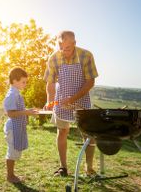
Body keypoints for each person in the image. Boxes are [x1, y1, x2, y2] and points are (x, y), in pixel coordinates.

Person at [44, 31, 98, 177]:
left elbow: (90, 82)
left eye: (67, 47)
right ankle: (63, 168)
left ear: (74, 43)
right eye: (61, 47)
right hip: (62, 102)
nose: (64, 51)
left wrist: (73, 98)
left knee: (88, 135)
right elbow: (50, 83)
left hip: (82, 101)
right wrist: (49, 100)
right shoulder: (54, 58)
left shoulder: (86, 56)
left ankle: (89, 168)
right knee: (62, 131)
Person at [3, 67, 38, 183]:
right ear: (14, 81)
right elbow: (11, 113)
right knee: (12, 151)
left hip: (16, 127)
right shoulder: (12, 94)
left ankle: (12, 174)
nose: (25, 84)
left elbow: (18, 110)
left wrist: (28, 111)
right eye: (23, 82)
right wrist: (26, 112)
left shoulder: (16, 93)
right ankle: (10, 176)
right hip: (13, 127)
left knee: (15, 151)